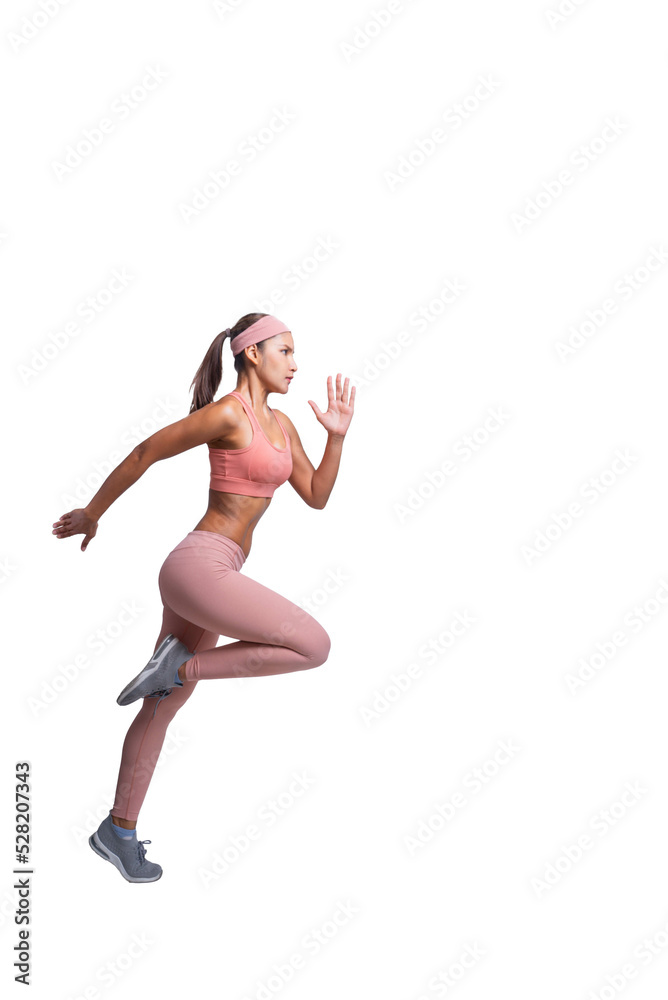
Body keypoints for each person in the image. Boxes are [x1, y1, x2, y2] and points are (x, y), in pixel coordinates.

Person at [52, 313, 355, 883]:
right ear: (251, 355)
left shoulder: (284, 426)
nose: (295, 363)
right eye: (285, 351)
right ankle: (180, 666)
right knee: (312, 644)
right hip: (197, 567)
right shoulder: (226, 415)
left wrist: (336, 436)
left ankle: (117, 831)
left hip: (217, 571)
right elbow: (147, 451)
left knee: (162, 705)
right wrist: (93, 512)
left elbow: (316, 495)